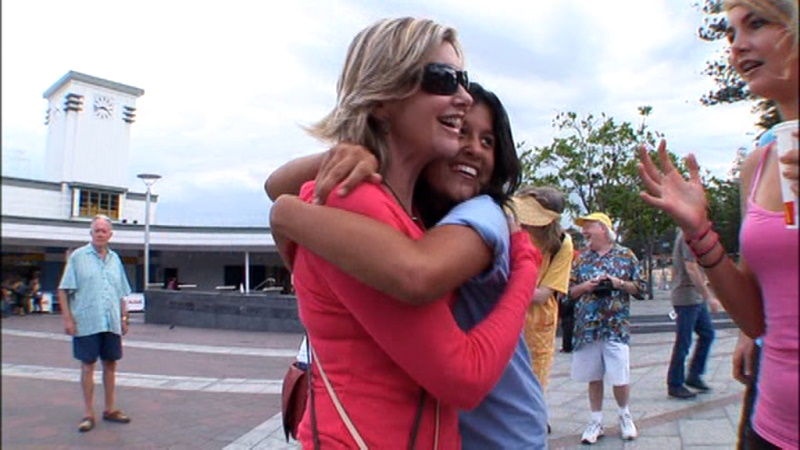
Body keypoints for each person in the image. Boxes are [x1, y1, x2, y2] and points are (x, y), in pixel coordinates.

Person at [268, 18, 540, 449]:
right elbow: (463, 377)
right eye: (443, 79)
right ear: (382, 99)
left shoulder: (410, 211)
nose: (463, 97)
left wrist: (288, 208)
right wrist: (527, 270)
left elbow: (277, 188)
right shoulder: (355, 199)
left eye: (462, 81)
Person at [638, 0, 798, 447]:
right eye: (730, 33)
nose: (737, 46)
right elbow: (756, 317)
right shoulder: (759, 164)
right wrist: (698, 231)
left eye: (757, 23)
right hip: (768, 425)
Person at [567, 212, 644, 444]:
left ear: (603, 228)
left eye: (588, 227)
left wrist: (619, 283)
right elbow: (569, 293)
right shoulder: (581, 260)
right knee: (593, 376)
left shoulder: (625, 255)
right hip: (587, 328)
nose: (584, 232)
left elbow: (640, 289)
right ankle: (596, 420)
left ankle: (624, 415)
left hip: (616, 326)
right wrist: (586, 287)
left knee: (620, 375)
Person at [57, 215, 132, 433]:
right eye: (96, 230)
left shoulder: (115, 259)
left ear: (110, 234)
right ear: (91, 234)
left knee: (110, 364)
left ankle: (110, 409)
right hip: (86, 321)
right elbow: (63, 289)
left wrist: (124, 316)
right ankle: (88, 413)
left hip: (111, 322)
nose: (100, 234)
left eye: (104, 231)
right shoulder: (78, 257)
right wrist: (67, 319)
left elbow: (120, 291)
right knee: (87, 365)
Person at [512, 187, 573, 411]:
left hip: (537, 322)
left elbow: (543, 295)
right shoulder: (512, 228)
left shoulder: (561, 244)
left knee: (534, 382)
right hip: (506, 315)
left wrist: (507, 287)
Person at [667, 229, 722, 399]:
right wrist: (709, 297)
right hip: (687, 297)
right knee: (684, 341)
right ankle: (675, 383)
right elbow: (691, 268)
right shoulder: (688, 236)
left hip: (694, 297)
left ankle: (694, 376)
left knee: (707, 334)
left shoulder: (692, 235)